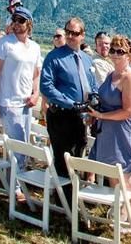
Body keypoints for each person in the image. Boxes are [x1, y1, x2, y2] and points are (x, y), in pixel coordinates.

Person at [87, 34, 131, 224]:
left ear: (128, 55)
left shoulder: (130, 79)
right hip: (106, 132)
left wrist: (102, 116)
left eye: (120, 51)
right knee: (113, 176)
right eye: (112, 50)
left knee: (126, 178)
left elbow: (129, 112)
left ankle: (130, 217)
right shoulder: (110, 75)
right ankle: (120, 212)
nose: (115, 54)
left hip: (122, 133)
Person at [0, 6, 42, 181]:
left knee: (23, 146)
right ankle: (16, 187)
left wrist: (36, 94)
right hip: (9, 102)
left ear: (29, 24)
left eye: (21, 20)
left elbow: (36, 74)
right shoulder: (4, 44)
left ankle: (16, 182)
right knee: (17, 147)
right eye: (14, 20)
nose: (16, 24)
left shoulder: (34, 47)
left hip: (26, 103)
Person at [39, 17, 96, 179]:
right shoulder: (54, 57)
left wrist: (95, 97)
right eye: (68, 32)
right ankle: (62, 199)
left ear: (82, 35)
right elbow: (46, 86)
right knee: (63, 160)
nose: (70, 36)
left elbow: (92, 84)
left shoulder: (86, 59)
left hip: (80, 117)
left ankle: (71, 196)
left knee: (78, 155)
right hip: (61, 116)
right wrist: (71, 104)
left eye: (75, 33)